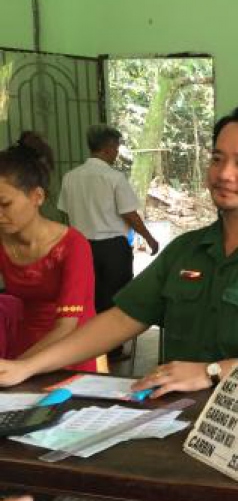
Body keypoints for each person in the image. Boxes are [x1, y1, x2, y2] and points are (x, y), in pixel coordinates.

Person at [0, 108, 238, 396]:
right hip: (178, 421)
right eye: (217, 159)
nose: (224, 174)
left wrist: (211, 372)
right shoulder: (187, 250)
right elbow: (121, 320)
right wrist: (27, 366)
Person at [58, 125, 159, 362]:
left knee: (89, 296)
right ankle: (111, 350)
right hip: (112, 248)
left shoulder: (70, 177)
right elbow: (129, 213)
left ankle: (88, 349)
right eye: (116, 147)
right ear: (108, 148)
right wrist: (149, 237)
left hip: (81, 247)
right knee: (115, 298)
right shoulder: (113, 177)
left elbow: (64, 211)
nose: (117, 152)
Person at [0, 133, 98, 372]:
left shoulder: (73, 245)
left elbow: (67, 326)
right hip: (25, 348)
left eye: (5, 204)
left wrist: (20, 367)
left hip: (70, 354)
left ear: (37, 196)